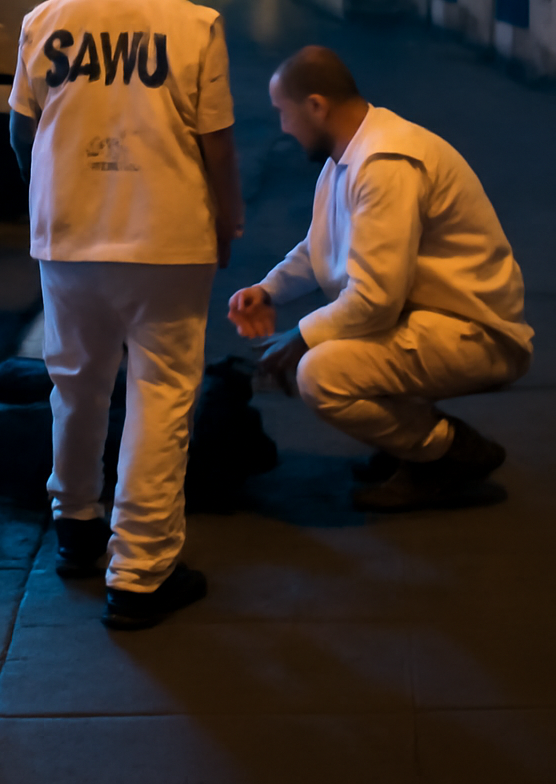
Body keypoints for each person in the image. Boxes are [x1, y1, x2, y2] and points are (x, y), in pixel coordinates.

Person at [9, 0, 244, 629]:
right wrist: (227, 223)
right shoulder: (196, 26)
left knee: (75, 383)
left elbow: (23, 128)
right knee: (160, 395)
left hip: (70, 235)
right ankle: (140, 569)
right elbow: (216, 144)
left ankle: (76, 526)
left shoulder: (46, 20)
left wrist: (50, 187)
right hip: (168, 239)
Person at [228, 46, 533, 511]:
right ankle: (407, 445)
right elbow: (320, 249)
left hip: (476, 333)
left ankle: (447, 452)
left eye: (284, 114)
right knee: (333, 346)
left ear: (316, 106)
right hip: (433, 319)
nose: (283, 128)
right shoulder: (349, 156)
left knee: (320, 371)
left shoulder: (384, 162)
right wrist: (268, 290)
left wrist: (300, 337)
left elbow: (375, 300)